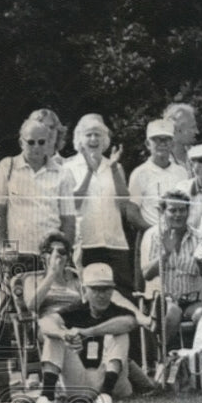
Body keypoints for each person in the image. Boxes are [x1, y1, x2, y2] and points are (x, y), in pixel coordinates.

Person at [35, 262, 136, 403]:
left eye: (106, 289)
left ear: (112, 290)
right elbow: (45, 323)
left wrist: (88, 332)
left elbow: (129, 323)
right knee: (54, 336)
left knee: (120, 334)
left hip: (112, 383)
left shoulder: (119, 311)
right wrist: (63, 334)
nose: (101, 295)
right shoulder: (76, 310)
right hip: (80, 381)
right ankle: (47, 395)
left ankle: (106, 394)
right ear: (84, 290)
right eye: (95, 289)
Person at [0, 118, 76, 273]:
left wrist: (64, 254)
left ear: (49, 143)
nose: (36, 147)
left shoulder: (63, 174)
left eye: (41, 142)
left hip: (51, 256)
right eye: (31, 142)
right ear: (21, 142)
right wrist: (3, 246)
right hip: (17, 255)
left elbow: (68, 220)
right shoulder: (7, 167)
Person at [65, 113, 134, 294]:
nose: (94, 139)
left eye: (98, 134)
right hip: (86, 243)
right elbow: (73, 205)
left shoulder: (115, 166)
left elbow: (124, 203)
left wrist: (113, 168)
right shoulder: (69, 167)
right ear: (79, 139)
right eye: (88, 135)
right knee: (90, 295)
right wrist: (89, 171)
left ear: (105, 139)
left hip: (115, 242)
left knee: (122, 293)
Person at [140, 191, 202, 351]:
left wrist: (201, 261)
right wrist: (165, 253)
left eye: (182, 210)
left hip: (191, 300)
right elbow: (146, 274)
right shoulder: (153, 235)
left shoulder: (199, 237)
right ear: (163, 211)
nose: (178, 215)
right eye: (173, 210)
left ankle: (199, 362)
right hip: (163, 300)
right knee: (173, 312)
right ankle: (162, 357)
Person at [127, 119, 190, 232]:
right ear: (147, 144)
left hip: (178, 236)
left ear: (172, 144)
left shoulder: (182, 172)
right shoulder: (140, 173)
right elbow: (132, 213)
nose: (162, 143)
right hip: (149, 234)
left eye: (167, 139)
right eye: (156, 139)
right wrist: (153, 232)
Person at [163, 102, 199, 175]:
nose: (197, 131)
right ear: (177, 130)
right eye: (192, 127)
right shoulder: (160, 163)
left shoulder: (198, 156)